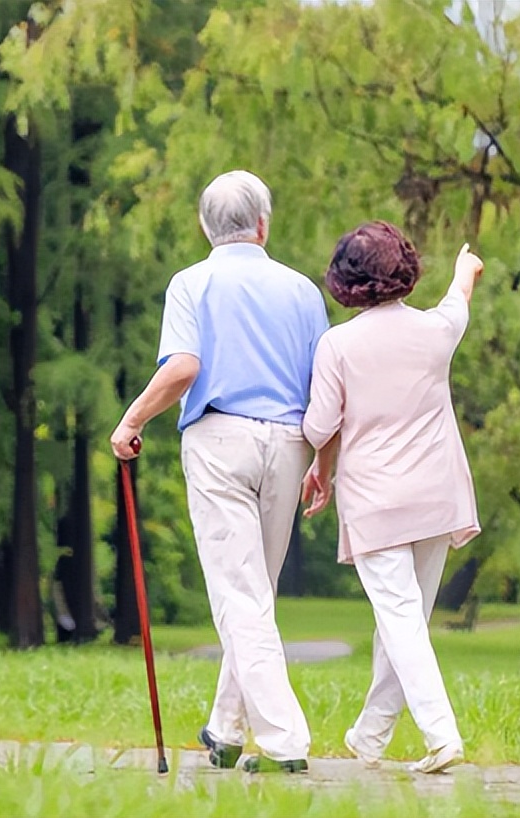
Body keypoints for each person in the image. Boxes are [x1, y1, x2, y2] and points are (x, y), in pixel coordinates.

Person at [110, 170, 328, 773]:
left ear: (206, 227)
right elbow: (325, 387)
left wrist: (131, 420)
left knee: (240, 597)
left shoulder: (192, 283)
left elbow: (183, 367)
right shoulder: (304, 292)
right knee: (255, 595)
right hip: (290, 444)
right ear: (264, 223)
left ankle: (285, 742)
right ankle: (227, 731)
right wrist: (325, 464)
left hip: (219, 438)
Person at [301, 221, 483, 774]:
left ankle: (441, 734)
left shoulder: (338, 345)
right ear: (403, 269)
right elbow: (458, 301)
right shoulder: (434, 331)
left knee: (400, 619)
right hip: (437, 495)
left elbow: (318, 425)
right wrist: (464, 269)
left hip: (377, 500)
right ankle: (372, 734)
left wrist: (321, 462)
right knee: (405, 621)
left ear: (346, 280)